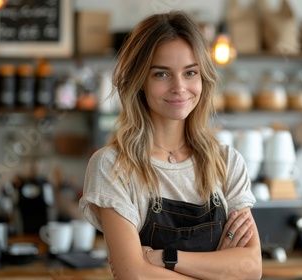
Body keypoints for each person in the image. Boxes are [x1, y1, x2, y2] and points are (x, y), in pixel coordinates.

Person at [79, 10, 262, 279]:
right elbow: (135, 275)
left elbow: (251, 268)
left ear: (203, 79)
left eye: (190, 73)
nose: (179, 87)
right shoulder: (112, 166)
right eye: (161, 75)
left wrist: (164, 258)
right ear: (139, 80)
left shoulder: (227, 162)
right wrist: (220, 271)